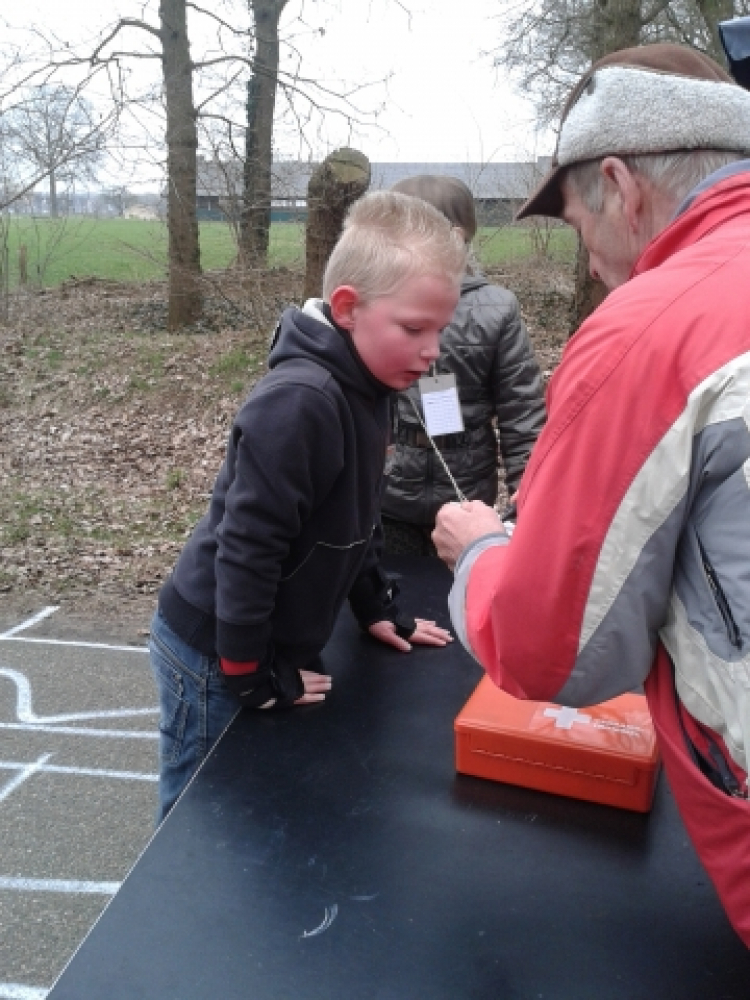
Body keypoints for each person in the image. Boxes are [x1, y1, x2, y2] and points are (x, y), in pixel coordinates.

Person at [433, 43, 750, 946]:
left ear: (620, 185)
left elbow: (549, 652)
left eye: (579, 229)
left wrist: (482, 553)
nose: (598, 266)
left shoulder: (654, 327)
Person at [150, 190, 466, 822]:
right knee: (202, 817)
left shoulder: (372, 384)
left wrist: (375, 605)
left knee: (258, 810)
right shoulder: (301, 400)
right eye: (414, 329)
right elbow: (248, 546)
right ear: (347, 308)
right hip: (216, 648)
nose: (432, 350)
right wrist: (247, 671)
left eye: (440, 330)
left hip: (264, 642)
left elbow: (354, 514)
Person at [381, 174, 546, 555]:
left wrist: (527, 504)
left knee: (460, 587)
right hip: (389, 497)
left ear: (454, 237)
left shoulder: (496, 309)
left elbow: (522, 412)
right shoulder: (380, 304)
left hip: (466, 499)